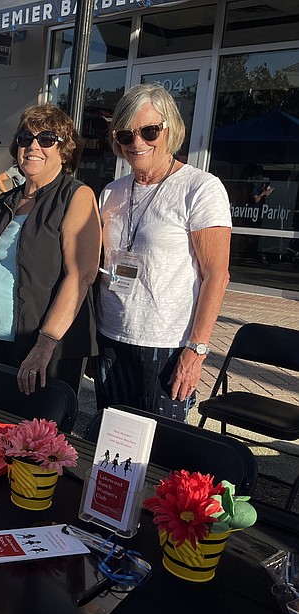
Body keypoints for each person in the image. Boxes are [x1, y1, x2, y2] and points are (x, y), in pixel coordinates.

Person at [93, 83, 231, 422]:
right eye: (126, 135)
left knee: (161, 445)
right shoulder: (111, 192)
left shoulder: (200, 188)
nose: (137, 142)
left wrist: (196, 350)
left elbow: (216, 275)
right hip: (110, 336)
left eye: (149, 131)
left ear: (170, 129)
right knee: (113, 440)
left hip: (167, 343)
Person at [0, 105, 101, 397]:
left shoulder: (75, 196)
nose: (33, 146)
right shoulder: (6, 201)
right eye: (26, 138)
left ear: (64, 151)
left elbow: (81, 276)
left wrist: (45, 344)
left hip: (43, 348)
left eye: (47, 139)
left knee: (34, 425)